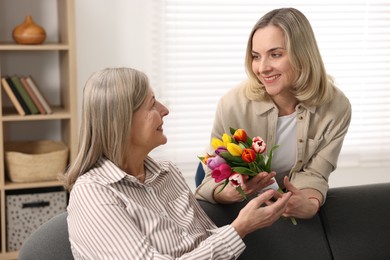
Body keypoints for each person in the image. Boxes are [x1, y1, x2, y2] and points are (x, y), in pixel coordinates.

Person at [63, 67, 291, 259]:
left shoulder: (167, 173)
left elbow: (206, 239)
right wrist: (240, 228)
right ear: (122, 120)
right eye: (152, 104)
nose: (165, 110)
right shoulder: (93, 192)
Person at [195, 7, 351, 220]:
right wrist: (228, 193)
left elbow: (315, 173)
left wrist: (309, 204)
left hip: (281, 186)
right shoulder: (232, 104)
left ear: (303, 54)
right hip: (220, 176)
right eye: (256, 56)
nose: (262, 68)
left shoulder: (337, 107)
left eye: (275, 54)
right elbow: (210, 181)